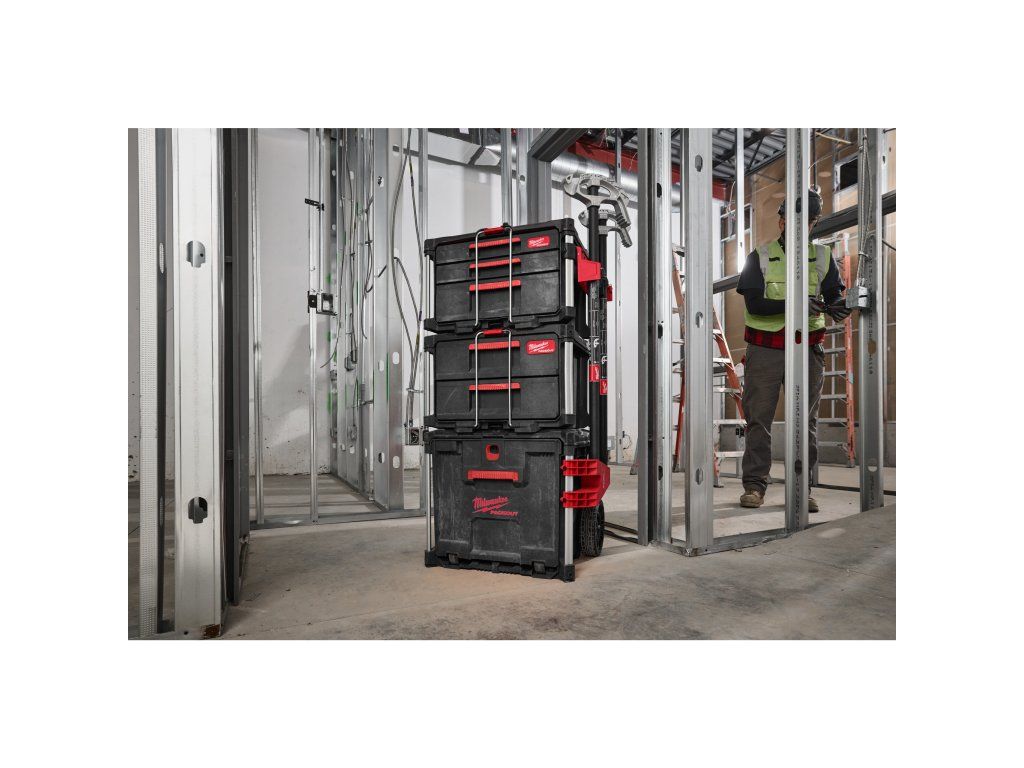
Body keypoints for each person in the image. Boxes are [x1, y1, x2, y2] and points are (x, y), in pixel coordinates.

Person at [735, 189, 853, 511]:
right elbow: (755, 304)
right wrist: (798, 304)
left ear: (814, 223)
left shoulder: (823, 257)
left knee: (806, 422)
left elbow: (834, 296)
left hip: (807, 349)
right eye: (793, 219)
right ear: (782, 221)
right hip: (765, 349)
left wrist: (838, 307)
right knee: (759, 419)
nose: (800, 226)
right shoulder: (759, 256)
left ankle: (802, 487)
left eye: (808, 221)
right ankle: (755, 486)